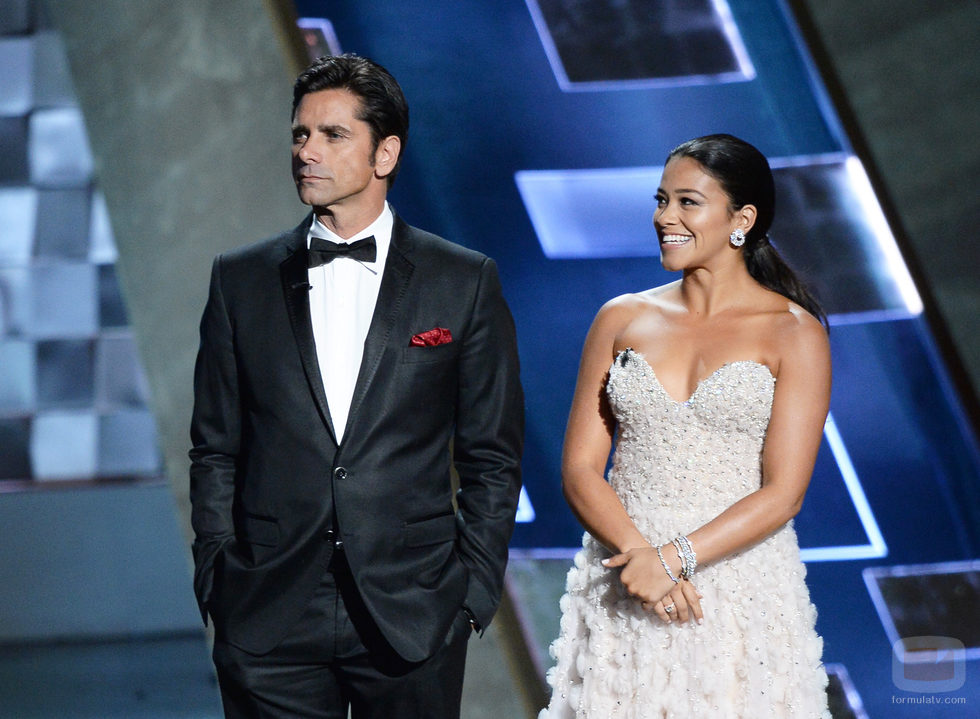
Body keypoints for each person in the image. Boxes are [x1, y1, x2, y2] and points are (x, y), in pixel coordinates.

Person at [189, 53, 524, 719]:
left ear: (386, 152)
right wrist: (218, 578)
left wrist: (472, 591)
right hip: (269, 614)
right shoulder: (239, 279)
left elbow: (492, 452)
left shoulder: (462, 280)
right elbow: (214, 448)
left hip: (413, 611)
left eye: (332, 135)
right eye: (299, 134)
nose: (307, 151)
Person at [540, 134, 831, 718]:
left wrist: (673, 560)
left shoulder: (793, 332)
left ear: (740, 219)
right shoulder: (621, 317)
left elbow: (784, 492)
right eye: (660, 199)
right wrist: (638, 556)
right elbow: (579, 468)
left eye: (687, 202)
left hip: (735, 583)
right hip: (624, 576)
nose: (663, 217)